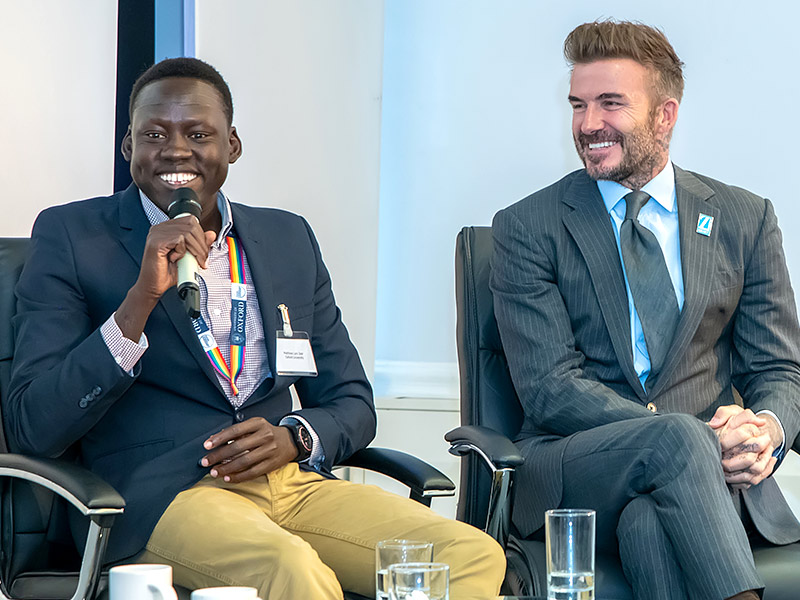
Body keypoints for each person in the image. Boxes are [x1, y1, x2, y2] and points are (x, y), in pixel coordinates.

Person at [6, 57, 505, 600]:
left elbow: (352, 401)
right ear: (128, 147)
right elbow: (34, 422)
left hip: (290, 484)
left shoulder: (287, 238)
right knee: (292, 570)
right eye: (154, 134)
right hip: (161, 497)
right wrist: (139, 301)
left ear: (232, 146)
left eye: (198, 134)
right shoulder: (74, 236)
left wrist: (295, 437)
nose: (176, 150)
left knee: (472, 556)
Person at [491, 19, 800, 600]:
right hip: (575, 468)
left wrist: (766, 430)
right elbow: (550, 388)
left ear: (665, 115)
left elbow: (779, 369)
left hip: (701, 487)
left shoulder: (743, 218)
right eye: (578, 105)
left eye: (610, 104)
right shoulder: (528, 227)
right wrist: (693, 437)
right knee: (678, 441)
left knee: (649, 525)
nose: (588, 125)